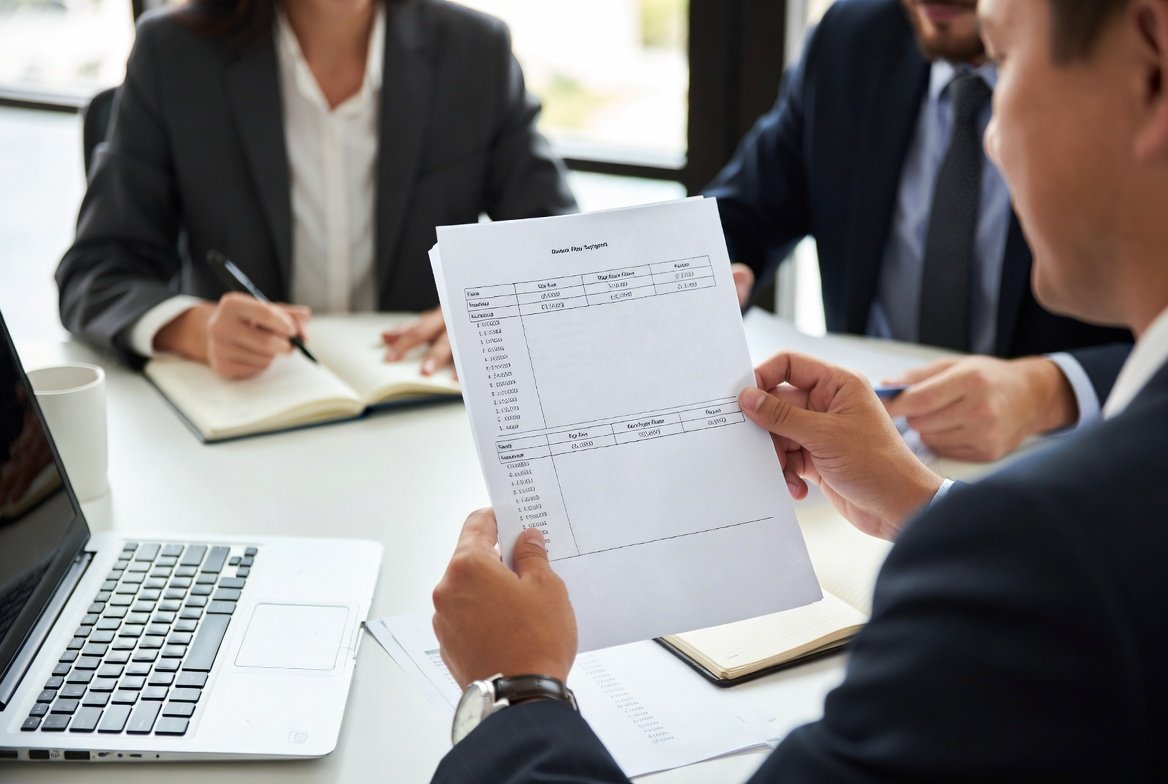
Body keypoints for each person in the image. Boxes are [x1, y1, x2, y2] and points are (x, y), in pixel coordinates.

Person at [428, 0, 1168, 779]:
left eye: (1008, 61)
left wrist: (515, 690)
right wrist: (927, 503)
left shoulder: (1058, 546)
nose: (992, 134)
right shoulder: (1054, 549)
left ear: (1153, 65)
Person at [56, 0, 575, 380]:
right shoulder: (173, 53)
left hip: (426, 407)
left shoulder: (475, 53)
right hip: (249, 415)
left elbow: (561, 248)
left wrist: (484, 311)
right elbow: (96, 271)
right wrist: (195, 328)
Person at [710, 0, 1133, 462]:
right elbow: (746, 209)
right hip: (863, 450)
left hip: (1060, 460)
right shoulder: (852, 37)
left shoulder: (1113, 64)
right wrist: (711, 270)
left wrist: (1053, 390)